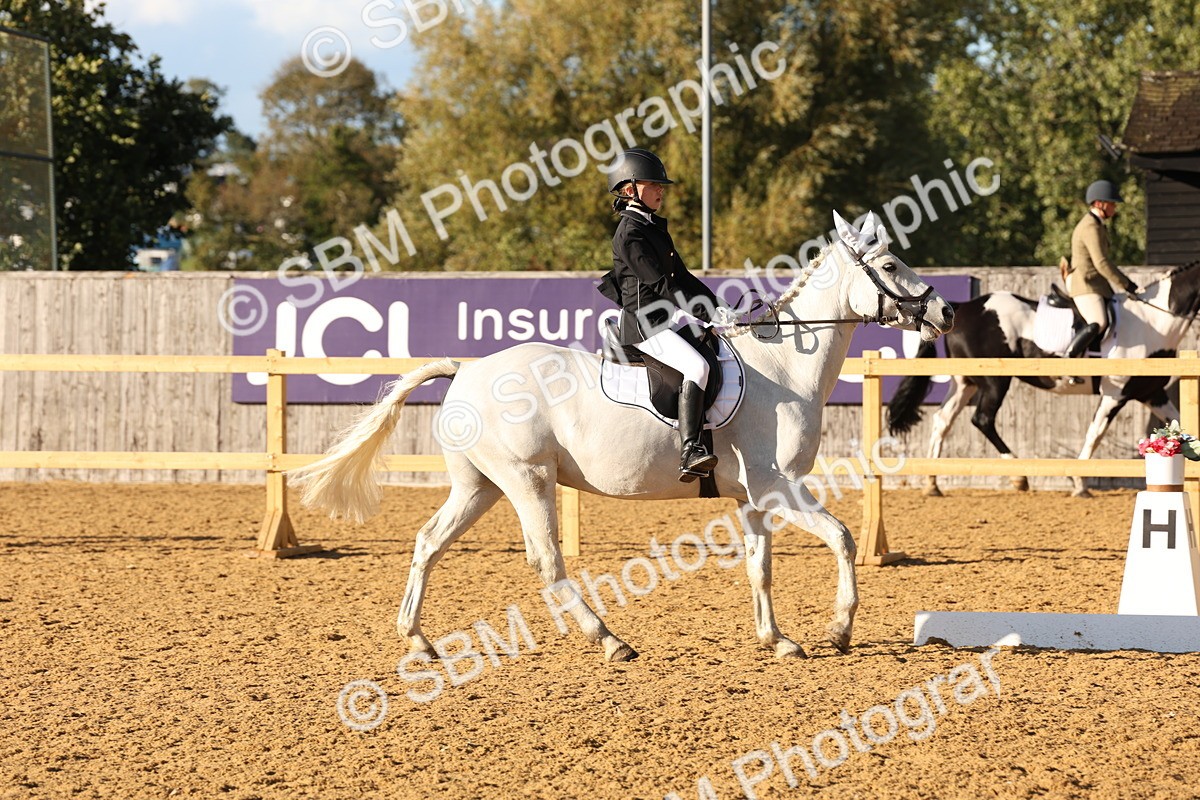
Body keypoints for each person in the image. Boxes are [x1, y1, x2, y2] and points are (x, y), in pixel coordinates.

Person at [598, 148, 723, 482]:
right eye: (653, 184)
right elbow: (662, 286)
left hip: (662, 321)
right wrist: (704, 314)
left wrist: (717, 307)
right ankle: (690, 450)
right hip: (643, 326)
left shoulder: (654, 228)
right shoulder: (630, 233)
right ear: (629, 190)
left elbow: (682, 278)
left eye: (660, 184)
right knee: (697, 366)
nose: (661, 189)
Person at [1064, 180, 1138, 373]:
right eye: (1112, 203)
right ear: (1100, 204)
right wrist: (1128, 285)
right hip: (1086, 285)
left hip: (1098, 286)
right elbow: (1101, 263)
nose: (1114, 207)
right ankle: (1069, 361)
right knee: (1099, 321)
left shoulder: (1097, 224)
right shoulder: (1090, 227)